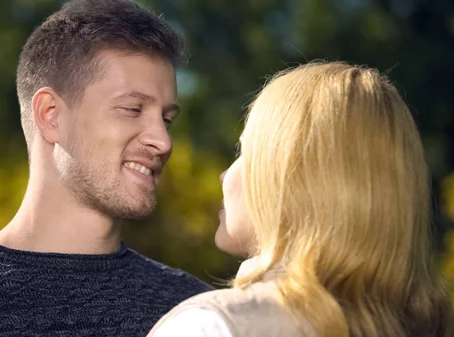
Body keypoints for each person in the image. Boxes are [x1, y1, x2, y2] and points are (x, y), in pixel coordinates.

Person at [0, 1, 213, 336]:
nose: (163, 141)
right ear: (50, 115)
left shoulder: (193, 316)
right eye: (133, 109)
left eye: (166, 119)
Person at [148, 62, 454, 337]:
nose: (224, 175)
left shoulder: (214, 325)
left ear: (289, 177)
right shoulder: (423, 325)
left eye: (246, 152)